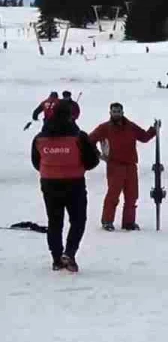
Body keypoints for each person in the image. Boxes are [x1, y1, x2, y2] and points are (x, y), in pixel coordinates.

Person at [31, 100, 100, 272]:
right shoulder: (79, 136)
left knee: (54, 222)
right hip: (74, 183)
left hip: (49, 184)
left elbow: (35, 162)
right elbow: (91, 161)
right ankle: (69, 253)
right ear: (71, 115)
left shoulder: (40, 138)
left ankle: (56, 259)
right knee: (78, 220)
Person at [89, 103, 160, 231]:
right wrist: (99, 155)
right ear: (110, 112)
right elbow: (89, 141)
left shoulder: (130, 126)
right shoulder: (104, 128)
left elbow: (144, 137)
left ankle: (129, 222)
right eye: (114, 111)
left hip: (131, 165)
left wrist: (154, 130)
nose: (116, 113)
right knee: (113, 195)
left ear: (123, 112)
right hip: (115, 166)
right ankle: (107, 221)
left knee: (132, 196)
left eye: (118, 111)